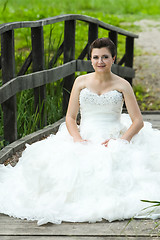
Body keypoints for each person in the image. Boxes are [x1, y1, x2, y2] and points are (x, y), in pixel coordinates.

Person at [0, 37, 160, 226]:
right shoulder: (80, 81)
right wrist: (77, 139)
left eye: (105, 57)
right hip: (84, 133)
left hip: (114, 134)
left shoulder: (122, 85)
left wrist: (121, 141)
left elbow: (138, 121)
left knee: (116, 164)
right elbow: (70, 117)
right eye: (96, 57)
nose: (100, 62)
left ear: (114, 59)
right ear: (91, 59)